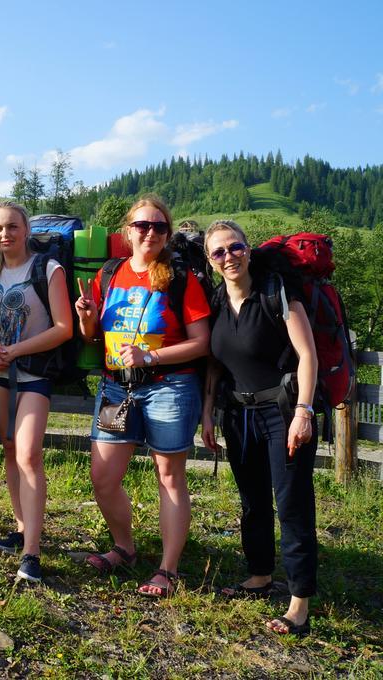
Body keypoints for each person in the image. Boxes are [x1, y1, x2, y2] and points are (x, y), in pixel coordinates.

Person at [76, 194, 210, 597]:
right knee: (103, 477)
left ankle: (168, 569)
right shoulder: (110, 272)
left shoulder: (179, 275)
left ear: (168, 233)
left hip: (169, 385)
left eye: (159, 227)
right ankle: (125, 547)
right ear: (127, 231)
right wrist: (86, 320)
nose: (150, 232)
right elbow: (94, 336)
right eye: (142, 225)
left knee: (169, 477)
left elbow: (202, 342)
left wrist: (150, 353)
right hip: (117, 387)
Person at [200, 220, 318, 638]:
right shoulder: (216, 301)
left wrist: (303, 411)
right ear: (210, 261)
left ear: (248, 250)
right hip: (238, 415)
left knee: (292, 505)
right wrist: (209, 409)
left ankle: (299, 602)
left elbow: (308, 356)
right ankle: (260, 574)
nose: (229, 257)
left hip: (282, 412)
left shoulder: (275, 293)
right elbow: (215, 360)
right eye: (219, 252)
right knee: (252, 500)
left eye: (235, 248)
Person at [0, 201, 73, 582]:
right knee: (11, 449)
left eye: (12, 227)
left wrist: (15, 351)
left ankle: (32, 552)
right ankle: (22, 528)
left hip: (33, 372)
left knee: (29, 453)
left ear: (26, 229)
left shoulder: (48, 268)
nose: (5, 235)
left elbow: (64, 327)